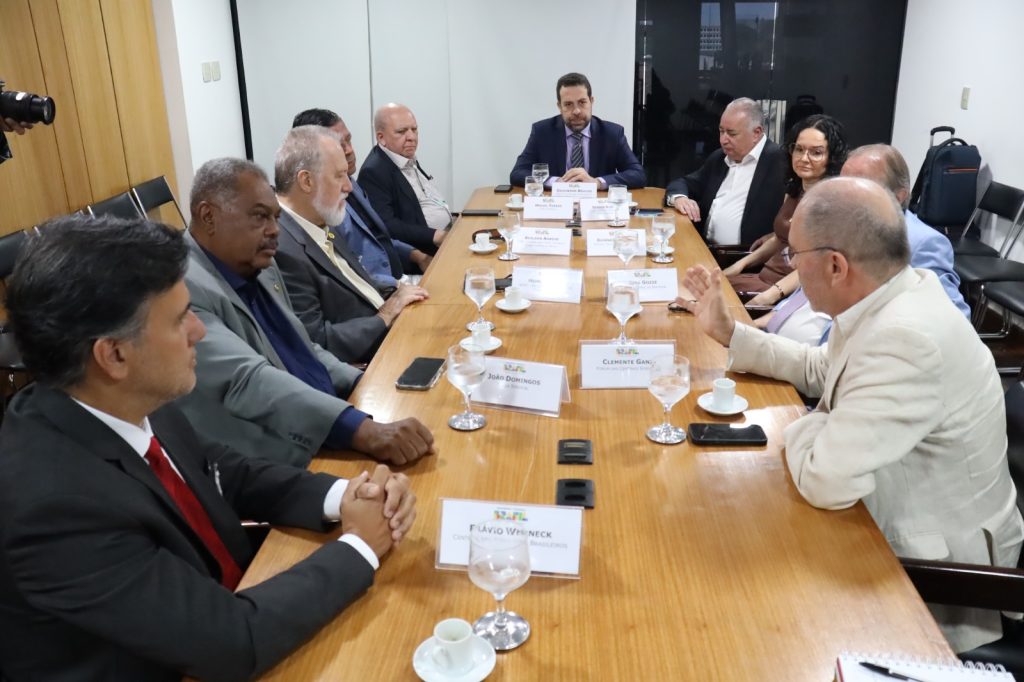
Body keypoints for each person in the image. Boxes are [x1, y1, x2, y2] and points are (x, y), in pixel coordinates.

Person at [0, 215, 417, 681]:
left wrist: (347, 496)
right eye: (181, 319)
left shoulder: (122, 399)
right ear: (114, 355)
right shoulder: (53, 507)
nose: (199, 331)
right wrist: (360, 546)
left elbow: (227, 471)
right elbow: (233, 641)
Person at [683, 176, 1024, 653]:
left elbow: (825, 478)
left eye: (795, 255)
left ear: (836, 265)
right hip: (881, 515)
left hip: (931, 580)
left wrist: (807, 424)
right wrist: (730, 333)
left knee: (729, 604)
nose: (790, 267)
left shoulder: (906, 337)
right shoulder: (890, 293)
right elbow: (822, 369)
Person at [177, 157, 434, 468]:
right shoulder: (181, 288)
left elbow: (304, 348)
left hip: (327, 418)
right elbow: (248, 381)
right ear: (208, 216)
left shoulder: (260, 265)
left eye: (275, 217)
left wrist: (365, 384)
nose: (275, 230)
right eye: (259, 217)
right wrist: (362, 431)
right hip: (276, 457)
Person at [274, 125, 428, 364]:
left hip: (394, 326)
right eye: (339, 176)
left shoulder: (318, 218)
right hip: (375, 358)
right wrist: (385, 315)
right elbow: (317, 341)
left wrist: (397, 291)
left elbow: (353, 282)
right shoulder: (281, 247)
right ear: (306, 181)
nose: (348, 186)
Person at [292, 108, 432, 287]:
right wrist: (398, 286)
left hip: (398, 276)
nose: (349, 150)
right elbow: (344, 272)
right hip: (381, 290)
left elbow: (377, 237)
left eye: (349, 140)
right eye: (339, 145)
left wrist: (416, 255)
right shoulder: (317, 207)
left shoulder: (351, 182)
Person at [724, 115, 849, 298]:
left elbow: (816, 265)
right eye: (799, 149)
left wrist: (769, 297)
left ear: (832, 157)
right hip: (762, 278)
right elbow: (780, 239)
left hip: (789, 293)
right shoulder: (794, 190)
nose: (803, 158)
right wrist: (739, 265)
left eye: (816, 152)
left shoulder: (834, 203)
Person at [664, 97, 787, 246]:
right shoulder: (720, 158)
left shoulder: (780, 162)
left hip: (748, 255)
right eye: (721, 131)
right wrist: (680, 198)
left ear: (756, 132)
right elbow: (683, 183)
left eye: (731, 133)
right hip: (704, 247)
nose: (723, 140)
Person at [508, 72, 646, 189]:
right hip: (555, 205)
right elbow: (518, 173)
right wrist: (555, 182)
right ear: (559, 106)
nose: (576, 111)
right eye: (568, 104)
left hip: (597, 206)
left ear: (591, 101)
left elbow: (638, 174)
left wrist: (597, 182)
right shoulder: (542, 132)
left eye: (582, 102)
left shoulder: (612, 134)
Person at [358, 103, 449, 255]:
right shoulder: (373, 172)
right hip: (425, 250)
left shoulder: (403, 155)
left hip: (447, 233)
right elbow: (387, 225)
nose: (412, 137)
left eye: (414, 129)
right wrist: (436, 235)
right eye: (401, 132)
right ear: (381, 137)